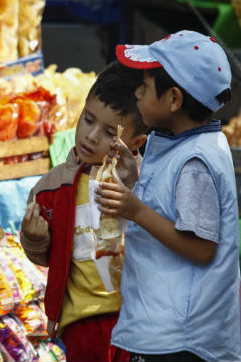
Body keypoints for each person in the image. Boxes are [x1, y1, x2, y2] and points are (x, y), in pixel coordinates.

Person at [96, 30, 240, 362]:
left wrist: (135, 210)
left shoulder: (195, 161)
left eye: (145, 87)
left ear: (174, 99)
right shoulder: (183, 143)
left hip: (182, 340)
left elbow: (202, 249)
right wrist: (135, 178)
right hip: (169, 328)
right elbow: (172, 206)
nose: (136, 93)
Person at [20, 61, 148, 362]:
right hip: (83, 319)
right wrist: (34, 239)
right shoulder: (52, 187)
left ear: (135, 142)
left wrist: (135, 185)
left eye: (108, 132)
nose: (90, 136)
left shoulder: (145, 181)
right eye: (87, 120)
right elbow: (43, 254)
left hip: (139, 315)